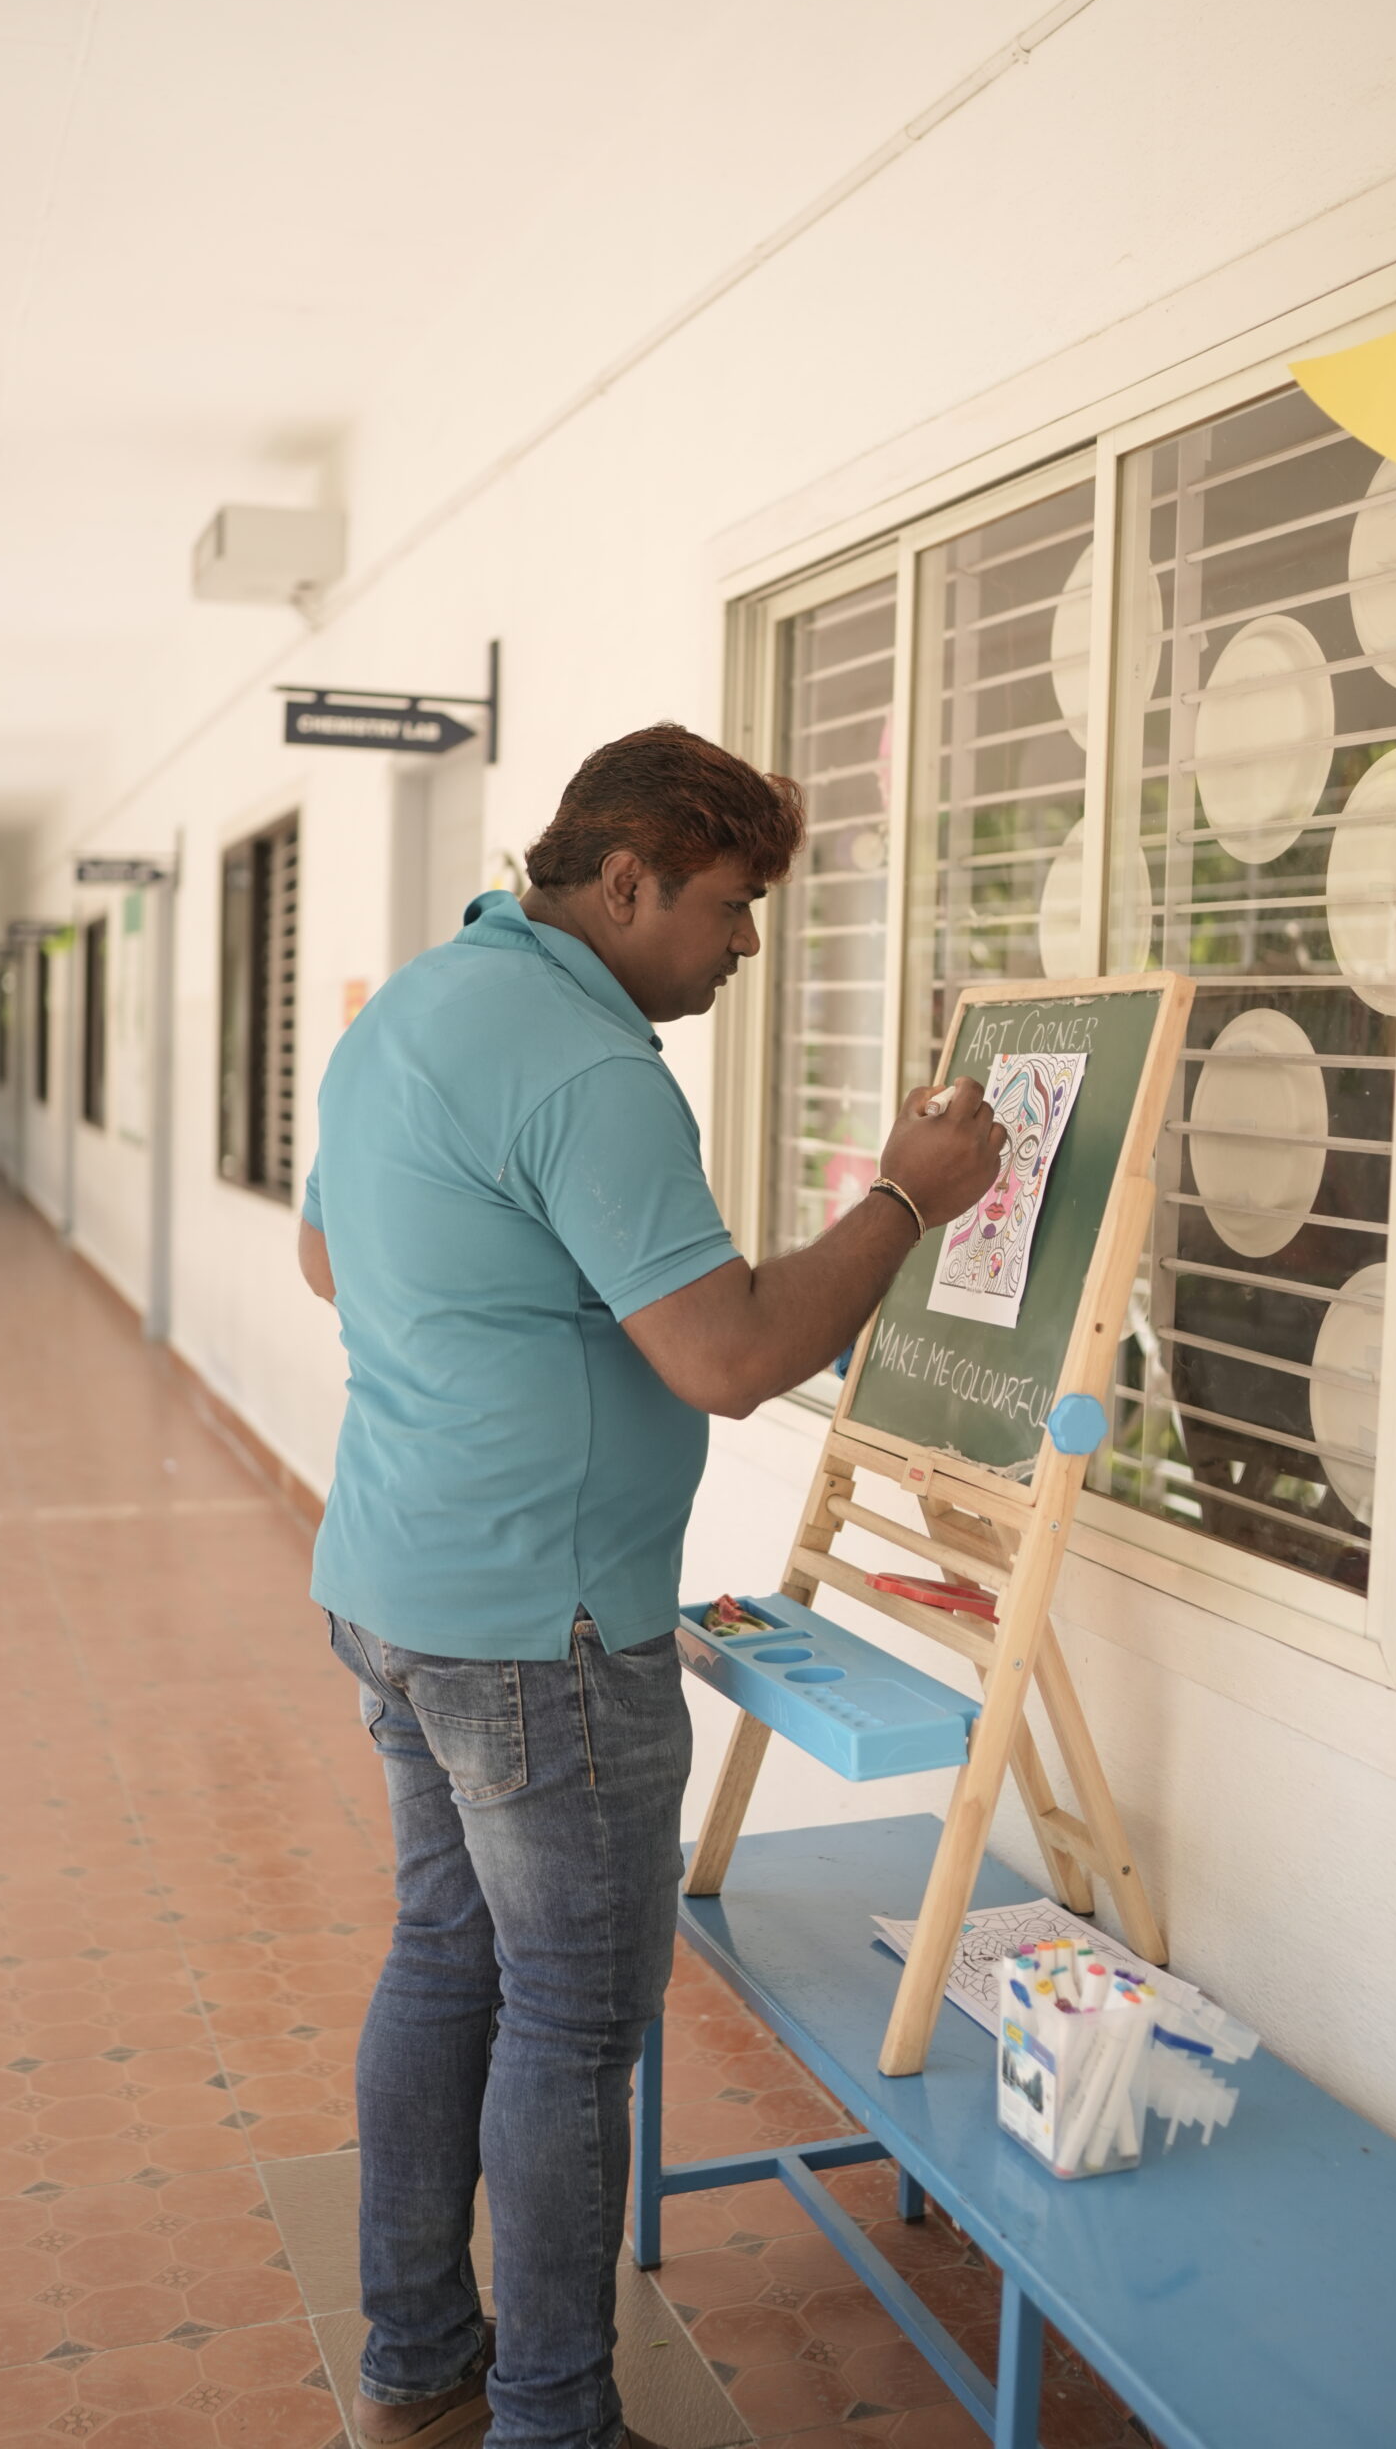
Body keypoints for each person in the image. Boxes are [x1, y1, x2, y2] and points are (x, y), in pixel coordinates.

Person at [297, 723, 1002, 2449]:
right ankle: (552, 2417)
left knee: (446, 1960)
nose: (747, 943)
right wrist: (905, 1201)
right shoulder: (589, 1064)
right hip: (538, 1634)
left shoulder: (416, 1007)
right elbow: (730, 1355)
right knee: (568, 2023)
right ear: (625, 881)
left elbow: (326, 1256)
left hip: (395, 1588)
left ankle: (415, 2368)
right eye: (730, 904)